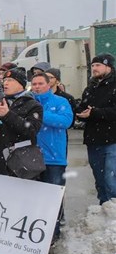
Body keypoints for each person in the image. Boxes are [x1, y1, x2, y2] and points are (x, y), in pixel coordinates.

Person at [0, 68, 43, 177]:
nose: (6, 83)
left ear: (21, 84)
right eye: (4, 80)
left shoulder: (33, 105)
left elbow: (31, 131)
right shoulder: (0, 102)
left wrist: (7, 115)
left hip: (21, 163)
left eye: (10, 80)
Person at [31, 73, 73, 241]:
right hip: (31, 158)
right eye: (34, 84)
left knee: (53, 199)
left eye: (40, 83)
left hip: (54, 159)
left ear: (49, 84)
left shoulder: (60, 102)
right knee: (34, 199)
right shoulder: (29, 103)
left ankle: (53, 234)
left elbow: (65, 121)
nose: (37, 87)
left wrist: (40, 114)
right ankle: (35, 233)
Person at [76, 53, 116, 204]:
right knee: (100, 179)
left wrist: (95, 112)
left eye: (98, 65)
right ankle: (104, 211)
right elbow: (83, 107)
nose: (94, 68)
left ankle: (113, 213)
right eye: (92, 65)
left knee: (111, 178)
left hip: (113, 139)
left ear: (109, 67)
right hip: (93, 140)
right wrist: (79, 113)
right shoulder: (90, 88)